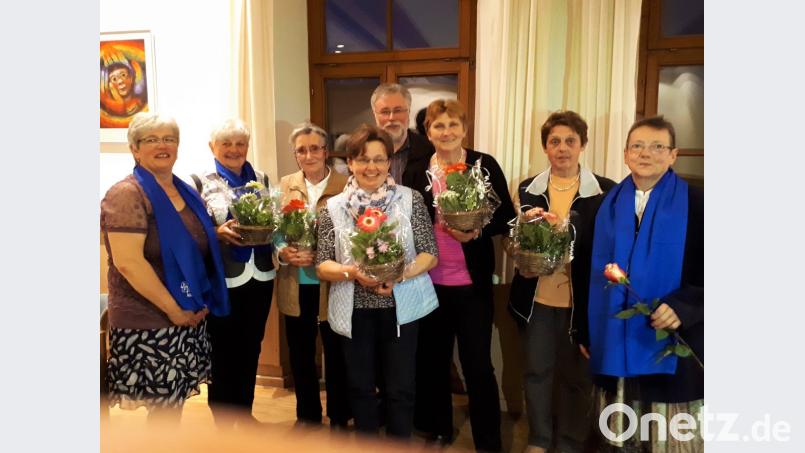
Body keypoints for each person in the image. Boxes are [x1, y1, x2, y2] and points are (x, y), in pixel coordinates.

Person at [101, 112, 228, 422]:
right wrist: (174, 309)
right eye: (152, 140)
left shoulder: (186, 190)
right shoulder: (126, 195)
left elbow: (200, 249)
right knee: (162, 413)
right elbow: (129, 263)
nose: (162, 146)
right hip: (149, 321)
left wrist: (198, 302)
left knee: (172, 408)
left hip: (187, 316)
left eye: (169, 139)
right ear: (134, 148)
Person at [587, 116, 704, 451]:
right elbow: (587, 274)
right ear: (625, 154)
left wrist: (682, 307)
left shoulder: (698, 205)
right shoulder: (603, 206)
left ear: (672, 155)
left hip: (675, 340)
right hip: (614, 339)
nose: (646, 153)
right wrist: (583, 330)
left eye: (657, 147)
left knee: (667, 437)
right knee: (621, 435)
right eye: (637, 146)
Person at [316, 124, 439, 440]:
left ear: (389, 162)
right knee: (360, 387)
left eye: (379, 159)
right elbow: (323, 265)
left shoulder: (410, 200)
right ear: (351, 163)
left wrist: (398, 275)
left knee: (401, 388)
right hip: (354, 309)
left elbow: (429, 254)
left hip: (401, 307)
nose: (371, 167)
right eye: (362, 159)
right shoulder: (333, 207)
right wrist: (353, 273)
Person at [408, 99, 516, 452]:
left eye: (453, 124)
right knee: (434, 362)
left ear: (464, 128)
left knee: (477, 365)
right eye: (438, 126)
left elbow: (506, 217)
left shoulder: (483, 166)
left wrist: (476, 232)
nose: (447, 132)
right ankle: (439, 428)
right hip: (429, 283)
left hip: (472, 285)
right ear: (428, 132)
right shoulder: (417, 170)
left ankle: (488, 440)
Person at [506, 111, 615, 453]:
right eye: (555, 141)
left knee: (577, 378)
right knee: (537, 373)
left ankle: (569, 442)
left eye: (570, 141)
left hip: (581, 303)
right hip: (536, 300)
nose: (562, 148)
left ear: (583, 144)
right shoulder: (528, 188)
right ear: (545, 147)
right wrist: (520, 258)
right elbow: (517, 240)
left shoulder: (605, 191)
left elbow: (606, 245)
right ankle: (538, 439)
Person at [189, 119, 275, 427]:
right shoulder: (198, 181)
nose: (234, 150)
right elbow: (192, 231)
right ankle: (223, 419)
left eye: (240, 143)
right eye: (226, 144)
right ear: (213, 147)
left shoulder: (261, 177)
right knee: (223, 350)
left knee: (251, 345)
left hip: (262, 275)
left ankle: (244, 410)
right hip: (224, 279)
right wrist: (216, 232)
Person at [274, 122, 351, 428]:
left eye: (314, 148)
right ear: (296, 155)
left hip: (333, 284)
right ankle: (306, 414)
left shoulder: (347, 184)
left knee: (337, 352)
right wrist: (283, 251)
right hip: (296, 282)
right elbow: (275, 230)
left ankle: (339, 414)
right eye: (301, 150)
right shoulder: (285, 184)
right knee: (301, 353)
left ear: (326, 151)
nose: (309, 155)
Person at [370, 83, 434, 186]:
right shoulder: (362, 151)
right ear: (375, 114)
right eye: (385, 112)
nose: (391, 118)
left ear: (408, 111)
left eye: (398, 110)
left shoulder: (429, 150)